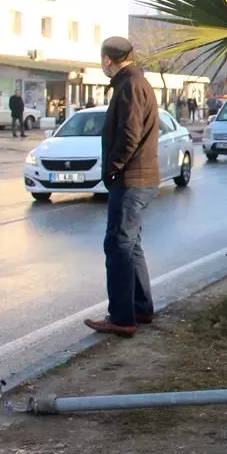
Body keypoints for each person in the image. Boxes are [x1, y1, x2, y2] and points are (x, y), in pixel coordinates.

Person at [84, 36, 160, 338]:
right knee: (131, 244)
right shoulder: (135, 81)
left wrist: (113, 169)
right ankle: (140, 308)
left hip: (131, 179)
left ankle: (121, 317)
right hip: (139, 178)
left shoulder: (129, 86)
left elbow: (129, 135)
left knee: (118, 245)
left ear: (107, 60)